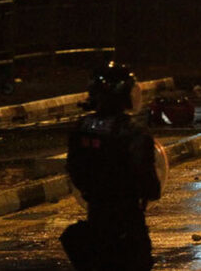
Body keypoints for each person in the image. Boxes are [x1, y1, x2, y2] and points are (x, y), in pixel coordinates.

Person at [62, 61, 161, 270]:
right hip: (127, 222)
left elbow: (74, 169)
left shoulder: (82, 128)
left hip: (96, 216)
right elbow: (149, 184)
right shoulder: (133, 131)